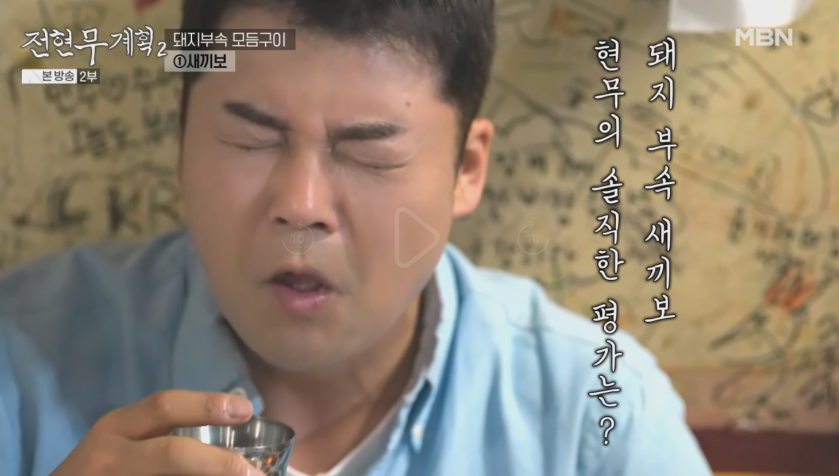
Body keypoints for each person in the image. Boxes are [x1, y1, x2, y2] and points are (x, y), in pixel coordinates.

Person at [0, 1, 714, 475]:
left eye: (369, 154)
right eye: (250, 139)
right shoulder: (19, 358)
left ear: (466, 171)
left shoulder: (594, 412)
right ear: (181, 140)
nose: (301, 207)